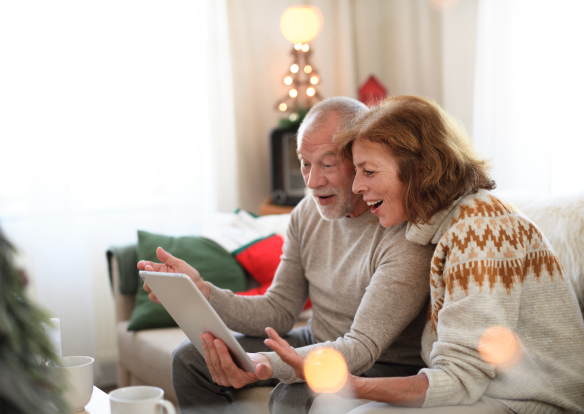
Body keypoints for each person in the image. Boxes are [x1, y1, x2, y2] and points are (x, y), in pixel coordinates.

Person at [265, 95, 584, 414]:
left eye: (369, 171)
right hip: (484, 391)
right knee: (331, 406)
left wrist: (351, 384)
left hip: (533, 402)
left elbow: (460, 379)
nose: (357, 186)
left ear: (417, 170)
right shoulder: (437, 227)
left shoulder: (480, 228)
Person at [138, 97, 437, 413]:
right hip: (317, 338)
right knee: (189, 358)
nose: (312, 181)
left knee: (288, 398)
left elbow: (360, 348)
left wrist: (266, 362)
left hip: (380, 362)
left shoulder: (403, 232)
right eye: (305, 163)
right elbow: (279, 309)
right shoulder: (307, 213)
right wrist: (204, 293)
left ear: (361, 158)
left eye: (327, 164)